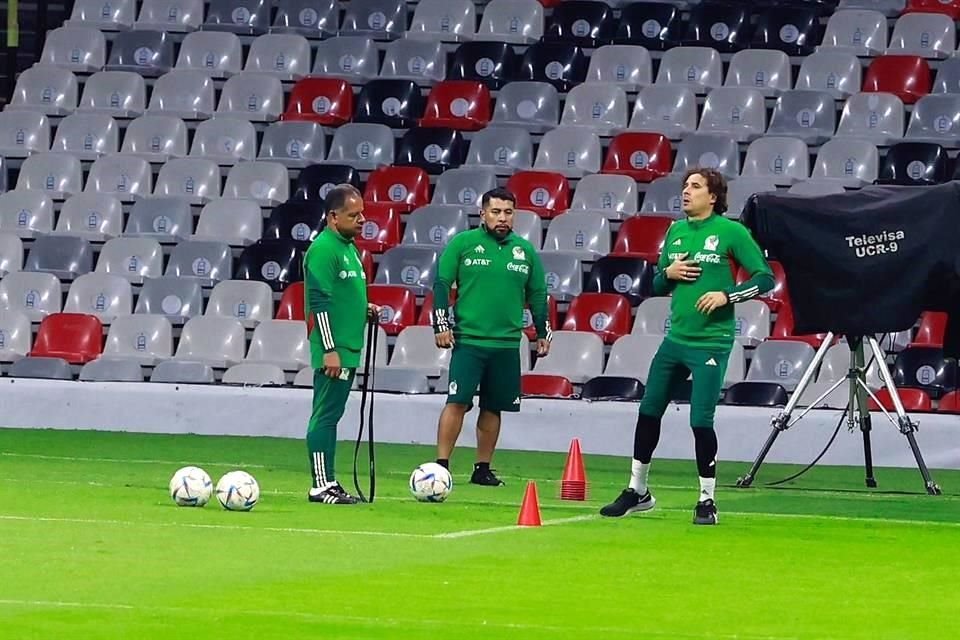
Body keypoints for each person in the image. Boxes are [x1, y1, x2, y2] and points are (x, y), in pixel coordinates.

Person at [600, 168, 775, 525]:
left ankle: (707, 500)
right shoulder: (676, 231)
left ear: (713, 196)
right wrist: (669, 274)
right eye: (685, 186)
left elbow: (765, 279)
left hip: (711, 342)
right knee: (648, 410)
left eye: (695, 186)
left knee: (700, 420)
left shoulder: (732, 232)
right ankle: (638, 490)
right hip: (675, 340)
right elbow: (657, 286)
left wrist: (727, 295)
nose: (686, 192)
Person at [432, 187, 551, 486]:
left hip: (507, 344)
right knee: (457, 401)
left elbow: (538, 294)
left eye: (508, 212)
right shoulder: (463, 243)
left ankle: (482, 468)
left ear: (515, 215)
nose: (502, 218)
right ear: (482, 213)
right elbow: (442, 283)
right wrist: (440, 324)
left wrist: (542, 332)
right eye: (496, 211)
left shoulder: (525, 251)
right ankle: (441, 465)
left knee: (493, 406)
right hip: (469, 341)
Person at [303, 184, 380, 505]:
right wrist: (329, 350)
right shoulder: (324, 249)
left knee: (331, 415)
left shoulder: (348, 248)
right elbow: (319, 302)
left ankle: (328, 481)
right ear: (333, 217)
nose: (362, 220)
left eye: (362, 213)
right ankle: (321, 484)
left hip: (347, 347)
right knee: (325, 415)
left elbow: (341, 297)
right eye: (354, 215)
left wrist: (365, 310)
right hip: (334, 350)